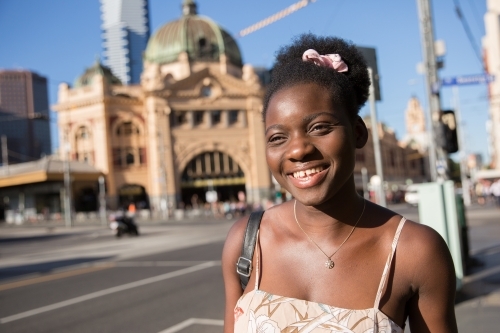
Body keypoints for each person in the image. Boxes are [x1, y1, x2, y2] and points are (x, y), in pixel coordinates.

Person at [222, 34, 457, 332]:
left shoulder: (416, 251)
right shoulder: (246, 242)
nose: (297, 150)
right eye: (278, 138)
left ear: (358, 132)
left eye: (319, 127)